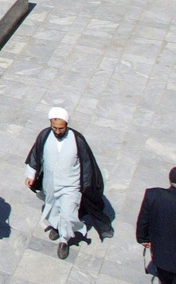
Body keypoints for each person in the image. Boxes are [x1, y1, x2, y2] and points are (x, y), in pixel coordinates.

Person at [25, 107, 112, 261]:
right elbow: (35, 154)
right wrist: (31, 174)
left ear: (67, 125)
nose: (58, 131)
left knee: (68, 213)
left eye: (61, 128)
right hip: (50, 183)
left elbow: (87, 163)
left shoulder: (77, 140)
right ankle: (56, 226)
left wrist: (85, 185)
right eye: (55, 128)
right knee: (52, 207)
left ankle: (64, 240)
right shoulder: (44, 135)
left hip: (71, 186)